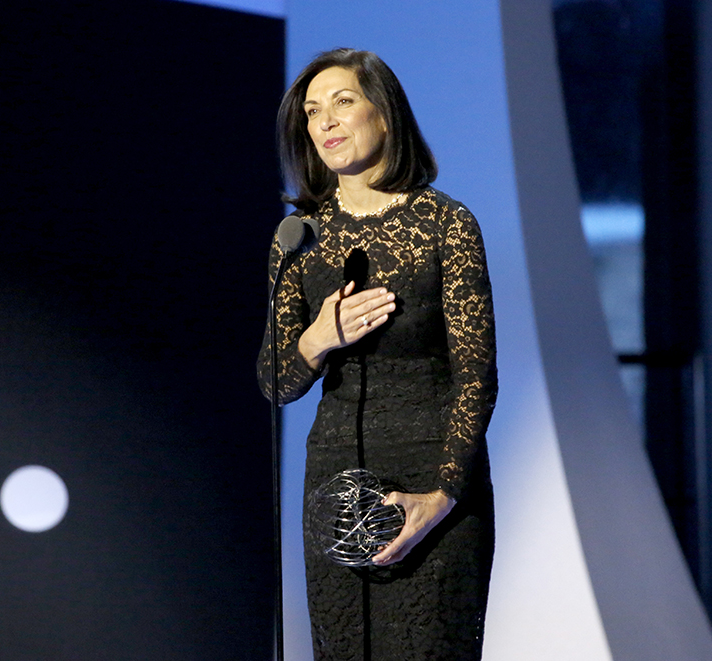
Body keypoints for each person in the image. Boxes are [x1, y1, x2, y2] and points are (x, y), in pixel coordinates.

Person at [257, 48, 497, 660]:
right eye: (312, 111)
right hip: (337, 489)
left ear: (384, 114)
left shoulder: (446, 225)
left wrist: (439, 498)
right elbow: (275, 382)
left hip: (435, 483)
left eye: (342, 102)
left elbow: (477, 378)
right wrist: (317, 339)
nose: (325, 122)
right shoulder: (299, 237)